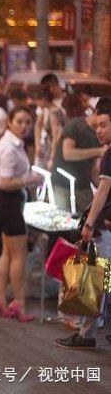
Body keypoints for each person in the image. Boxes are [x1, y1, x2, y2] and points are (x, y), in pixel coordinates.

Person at [56, 100, 111, 349]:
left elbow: (103, 190)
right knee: (103, 282)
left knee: (97, 281)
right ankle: (87, 333)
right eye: (97, 125)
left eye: (104, 125)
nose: (98, 130)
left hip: (105, 228)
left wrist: (89, 223)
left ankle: (86, 335)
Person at [0, 106, 43, 322]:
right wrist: (30, 180)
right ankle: (18, 303)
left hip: (7, 204)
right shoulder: (10, 147)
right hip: (10, 203)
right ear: (10, 121)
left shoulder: (11, 143)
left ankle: (0, 297)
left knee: (7, 253)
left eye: (28, 122)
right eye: (20, 121)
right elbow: (4, 182)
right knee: (18, 255)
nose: (24, 126)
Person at [52, 95, 105, 214]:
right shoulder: (76, 125)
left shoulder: (99, 135)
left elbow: (93, 171)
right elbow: (68, 153)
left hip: (83, 186)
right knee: (61, 222)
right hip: (62, 185)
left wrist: (104, 190)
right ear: (95, 112)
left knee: (89, 220)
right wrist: (98, 151)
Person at [34, 88, 65, 170]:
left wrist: (52, 156)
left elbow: (56, 135)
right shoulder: (45, 110)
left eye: (37, 100)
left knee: (44, 172)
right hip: (46, 145)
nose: (36, 103)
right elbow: (37, 125)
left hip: (50, 147)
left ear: (43, 99)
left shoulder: (54, 112)